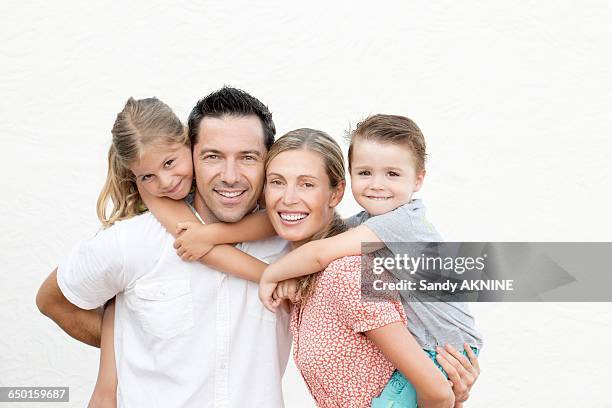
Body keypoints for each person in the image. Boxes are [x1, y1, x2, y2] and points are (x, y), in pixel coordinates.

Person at [36, 87, 294, 408]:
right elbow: (53, 300)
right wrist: (128, 348)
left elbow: (372, 267)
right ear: (193, 151)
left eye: (247, 157)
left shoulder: (294, 241)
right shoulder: (132, 243)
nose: (230, 176)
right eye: (213, 156)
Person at [258, 115, 483, 407]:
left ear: (418, 179)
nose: (377, 185)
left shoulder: (394, 228)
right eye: (365, 173)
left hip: (442, 346)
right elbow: (301, 241)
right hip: (437, 346)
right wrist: (210, 235)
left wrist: (273, 273)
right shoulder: (364, 227)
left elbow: (317, 254)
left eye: (392, 174)